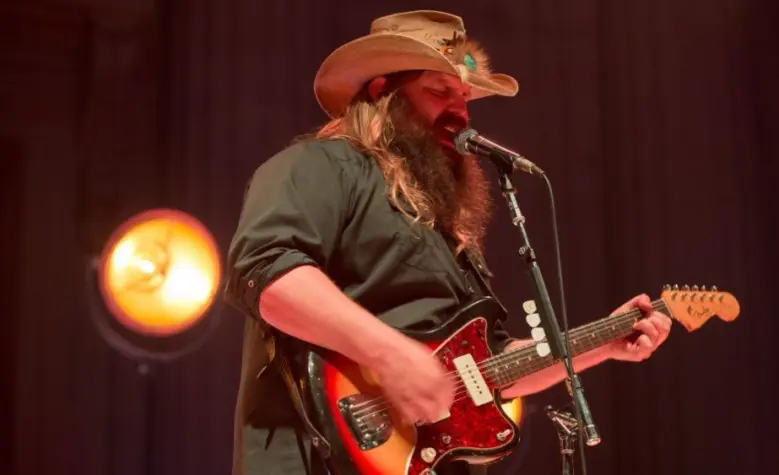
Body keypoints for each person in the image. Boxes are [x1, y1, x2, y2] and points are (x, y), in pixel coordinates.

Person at [223, 10, 672, 475]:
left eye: (465, 97)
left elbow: (490, 367)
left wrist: (603, 343)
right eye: (440, 92)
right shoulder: (320, 165)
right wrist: (390, 355)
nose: (460, 113)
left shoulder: (444, 227)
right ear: (381, 92)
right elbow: (266, 273)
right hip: (315, 458)